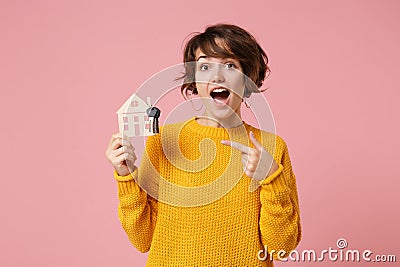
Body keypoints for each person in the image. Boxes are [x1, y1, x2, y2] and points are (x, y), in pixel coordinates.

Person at [105, 24, 301, 266]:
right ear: (195, 81)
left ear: (247, 80)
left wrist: (271, 180)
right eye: (205, 66)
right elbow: (142, 239)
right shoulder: (163, 141)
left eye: (230, 65)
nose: (217, 77)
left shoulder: (271, 147)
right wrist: (126, 177)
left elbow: (281, 248)